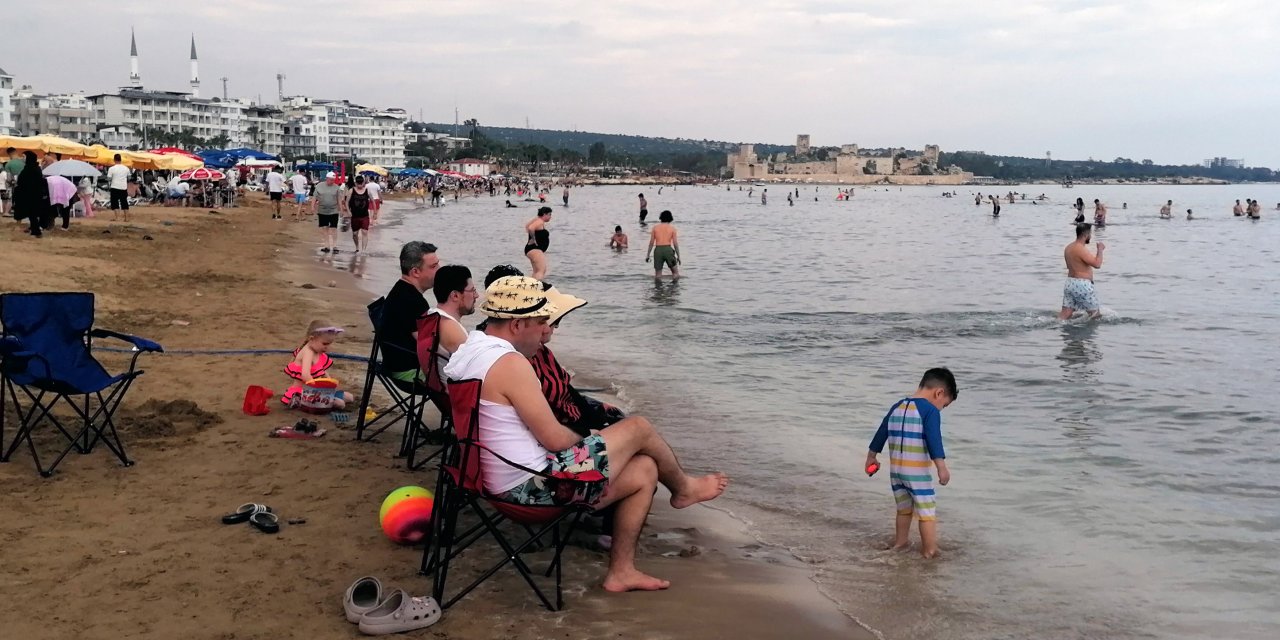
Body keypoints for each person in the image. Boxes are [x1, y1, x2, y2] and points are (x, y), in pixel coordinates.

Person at [441, 276, 729, 592]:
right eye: (541, 322)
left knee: (645, 468)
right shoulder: (510, 363)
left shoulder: (471, 351)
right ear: (517, 324)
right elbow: (554, 439)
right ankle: (684, 488)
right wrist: (594, 446)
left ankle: (621, 572)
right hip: (532, 490)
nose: (545, 330)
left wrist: (601, 450)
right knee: (638, 428)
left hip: (492, 481)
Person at [864, 368, 957, 559]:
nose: (941, 409)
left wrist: (871, 457)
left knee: (904, 510)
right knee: (926, 512)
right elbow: (934, 440)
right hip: (916, 474)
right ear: (939, 393)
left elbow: (881, 432)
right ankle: (929, 550)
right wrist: (941, 467)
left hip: (896, 472)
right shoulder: (930, 411)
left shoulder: (897, 406)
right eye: (944, 405)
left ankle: (900, 543)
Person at [382, 241, 441, 385]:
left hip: (395, 366)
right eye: (433, 266)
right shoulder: (413, 302)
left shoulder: (400, 291)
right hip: (410, 373)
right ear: (415, 272)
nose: (439, 270)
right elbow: (430, 346)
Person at [282, 320, 355, 410]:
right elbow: (305, 375)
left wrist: (330, 384)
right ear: (311, 339)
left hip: (317, 391)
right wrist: (321, 390)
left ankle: (326, 400)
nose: (327, 347)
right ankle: (297, 401)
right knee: (340, 404)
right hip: (304, 392)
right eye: (325, 344)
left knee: (349, 397)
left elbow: (323, 372)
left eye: (329, 344)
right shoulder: (308, 352)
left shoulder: (317, 350)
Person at [426, 264, 476, 370]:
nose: (476, 295)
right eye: (472, 290)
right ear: (455, 296)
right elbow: (475, 368)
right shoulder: (451, 329)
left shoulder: (433, 315)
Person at [1059, 223, 1105, 320]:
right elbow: (1097, 264)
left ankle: (1054, 327)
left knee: (1064, 316)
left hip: (1070, 283)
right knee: (1096, 316)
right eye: (1090, 234)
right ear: (1085, 234)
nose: (1090, 236)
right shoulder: (1080, 248)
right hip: (1082, 285)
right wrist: (1100, 250)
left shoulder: (1068, 247)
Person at [12, 151, 50, 238]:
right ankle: (35, 230)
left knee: (32, 214)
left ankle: (36, 232)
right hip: (31, 194)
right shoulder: (33, 168)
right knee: (32, 214)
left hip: (31, 195)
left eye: (24, 157)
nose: (22, 158)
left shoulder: (31, 169)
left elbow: (29, 182)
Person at [313, 172, 343, 253]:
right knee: (324, 228)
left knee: (334, 228)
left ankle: (335, 246)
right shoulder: (319, 186)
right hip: (322, 211)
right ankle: (326, 246)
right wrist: (312, 207)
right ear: (327, 179)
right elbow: (314, 197)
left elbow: (339, 199)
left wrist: (341, 210)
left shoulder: (336, 187)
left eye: (333, 180)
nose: (332, 181)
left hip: (334, 211)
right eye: (331, 180)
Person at [646, 210, 680, 279]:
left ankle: (658, 286)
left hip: (658, 250)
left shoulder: (655, 228)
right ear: (670, 218)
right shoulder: (672, 229)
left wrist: (648, 255)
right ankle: (674, 285)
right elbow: (675, 244)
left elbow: (651, 243)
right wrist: (678, 256)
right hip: (668, 250)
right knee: (675, 273)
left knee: (658, 275)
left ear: (661, 217)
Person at [345, 175, 373, 253]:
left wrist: (374, 213)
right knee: (355, 234)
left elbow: (373, 201)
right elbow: (346, 202)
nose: (360, 185)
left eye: (361, 183)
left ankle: (363, 250)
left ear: (363, 183)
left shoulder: (367, 191)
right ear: (356, 183)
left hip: (365, 215)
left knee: (365, 232)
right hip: (354, 216)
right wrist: (348, 211)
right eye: (358, 183)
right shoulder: (351, 191)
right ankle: (357, 247)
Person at [524, 206, 552, 280]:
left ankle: (532, 284)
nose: (550, 217)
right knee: (541, 270)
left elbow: (527, 227)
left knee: (536, 271)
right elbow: (530, 228)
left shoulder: (537, 220)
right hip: (535, 249)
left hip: (532, 249)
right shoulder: (540, 222)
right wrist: (533, 239)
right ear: (544, 214)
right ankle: (538, 285)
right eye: (549, 214)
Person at [106, 154, 131, 222]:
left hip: (114, 187)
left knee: (115, 202)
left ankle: (117, 217)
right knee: (124, 202)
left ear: (114, 160)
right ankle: (126, 218)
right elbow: (129, 178)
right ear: (120, 159)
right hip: (123, 187)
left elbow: (109, 178)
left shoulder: (111, 169)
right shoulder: (126, 168)